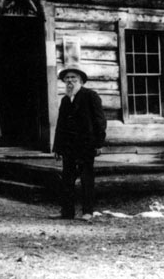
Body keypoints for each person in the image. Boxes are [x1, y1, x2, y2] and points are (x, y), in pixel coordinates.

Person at [52, 65, 107, 221]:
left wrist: (98, 143)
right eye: (67, 78)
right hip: (68, 147)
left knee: (86, 179)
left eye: (73, 78)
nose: (70, 81)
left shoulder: (90, 96)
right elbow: (60, 125)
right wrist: (57, 147)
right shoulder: (65, 100)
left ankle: (87, 211)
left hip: (86, 145)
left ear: (81, 81)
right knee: (67, 179)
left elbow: (100, 121)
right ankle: (67, 212)